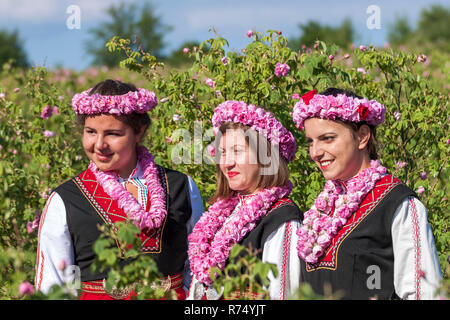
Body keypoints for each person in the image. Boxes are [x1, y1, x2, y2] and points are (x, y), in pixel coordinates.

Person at [34, 79, 203, 300]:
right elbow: (53, 284)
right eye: (91, 132)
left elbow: (198, 269)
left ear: (139, 132)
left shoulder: (181, 187)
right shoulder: (65, 199)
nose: (99, 144)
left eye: (113, 134)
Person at [292, 88, 442, 300]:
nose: (315, 152)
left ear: (362, 137)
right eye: (311, 141)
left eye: (327, 138)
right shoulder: (321, 210)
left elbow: (424, 293)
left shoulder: (396, 203)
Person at [187, 100, 303, 300]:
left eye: (237, 151)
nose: (227, 163)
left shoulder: (281, 218)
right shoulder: (221, 214)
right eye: (223, 153)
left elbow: (282, 294)